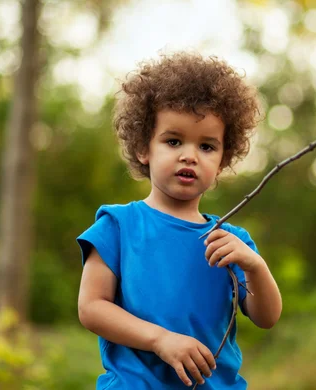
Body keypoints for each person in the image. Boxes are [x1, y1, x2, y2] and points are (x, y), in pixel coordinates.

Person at [77, 52, 282, 389]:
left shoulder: (231, 241)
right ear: (144, 148)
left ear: (222, 160)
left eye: (206, 146)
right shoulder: (117, 226)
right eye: (173, 141)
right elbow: (92, 308)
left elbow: (267, 317)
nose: (189, 155)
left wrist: (256, 267)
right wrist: (161, 340)